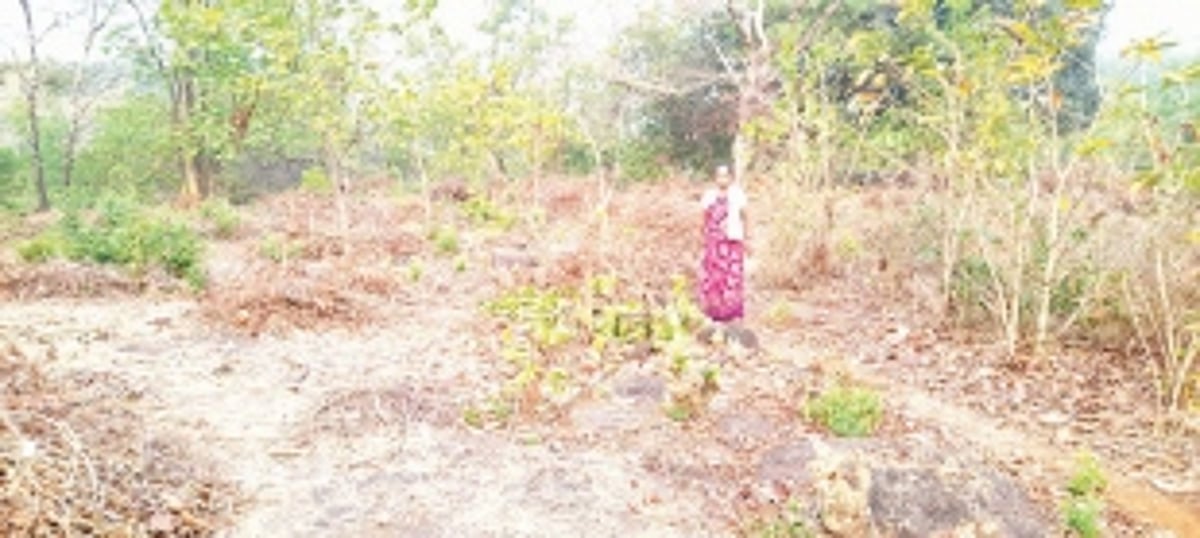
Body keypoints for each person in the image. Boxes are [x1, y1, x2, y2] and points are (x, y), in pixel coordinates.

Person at [699, 165, 748, 329]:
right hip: (714, 243)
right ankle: (714, 313)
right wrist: (704, 238)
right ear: (715, 178)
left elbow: (745, 217)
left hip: (732, 242)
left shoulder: (737, 195)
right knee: (714, 278)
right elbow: (704, 219)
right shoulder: (709, 196)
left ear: (731, 178)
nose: (722, 180)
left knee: (732, 277)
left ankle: (733, 313)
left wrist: (747, 237)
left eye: (725, 176)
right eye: (719, 176)